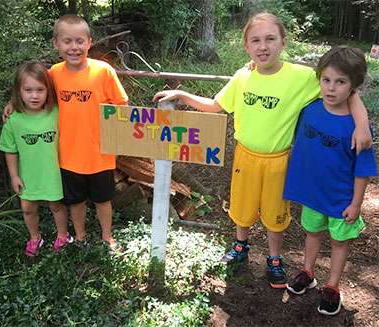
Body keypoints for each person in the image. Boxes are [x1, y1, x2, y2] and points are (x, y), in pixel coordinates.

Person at [152, 13, 373, 288]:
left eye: (270, 39)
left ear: (283, 42)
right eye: (255, 40)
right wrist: (181, 95)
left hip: (278, 160)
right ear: (246, 46)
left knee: (274, 212)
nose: (263, 47)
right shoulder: (243, 76)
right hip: (244, 156)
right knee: (242, 206)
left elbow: (344, 85)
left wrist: (362, 123)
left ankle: (274, 259)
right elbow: (214, 105)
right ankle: (240, 247)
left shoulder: (301, 77)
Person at [4, 14, 128, 253]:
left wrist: (119, 139)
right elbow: (33, 93)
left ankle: (108, 237)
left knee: (103, 200)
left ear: (89, 42)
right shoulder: (53, 75)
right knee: (76, 201)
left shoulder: (104, 71)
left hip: (101, 152)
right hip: (67, 155)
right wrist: (12, 104)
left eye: (80, 41)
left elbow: (121, 107)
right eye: (67, 41)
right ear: (56, 44)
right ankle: (80, 237)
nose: (74, 47)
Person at [284, 46, 377, 315]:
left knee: (339, 242)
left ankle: (333, 286)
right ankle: (307, 272)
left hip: (341, 200)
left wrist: (356, 204)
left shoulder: (358, 128)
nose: (331, 88)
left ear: (354, 86)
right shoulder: (308, 109)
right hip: (313, 195)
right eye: (326, 80)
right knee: (312, 234)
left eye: (341, 82)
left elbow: (363, 169)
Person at [0, 61, 72, 257]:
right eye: (28, 90)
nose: (34, 95)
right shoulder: (14, 120)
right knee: (28, 208)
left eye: (40, 89)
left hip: (52, 173)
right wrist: (14, 176)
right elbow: (10, 150)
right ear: (18, 91)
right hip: (28, 175)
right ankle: (34, 238)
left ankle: (63, 235)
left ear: (48, 90)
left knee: (56, 206)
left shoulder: (56, 113)